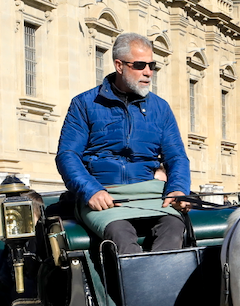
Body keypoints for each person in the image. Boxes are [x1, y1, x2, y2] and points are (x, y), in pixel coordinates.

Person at [55, 32, 192, 255]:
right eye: (140, 65)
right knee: (120, 233)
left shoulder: (161, 108)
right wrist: (91, 191)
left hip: (151, 193)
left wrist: (178, 188)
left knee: (174, 226)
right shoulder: (84, 104)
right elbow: (67, 155)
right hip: (104, 194)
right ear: (119, 66)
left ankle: (160, 288)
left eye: (152, 65)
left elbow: (176, 157)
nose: (148, 72)